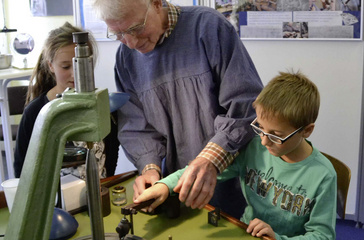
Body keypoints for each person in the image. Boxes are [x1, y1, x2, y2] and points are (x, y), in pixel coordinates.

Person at [92, 0, 263, 218]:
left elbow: (246, 106)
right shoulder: (126, 58)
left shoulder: (209, 28)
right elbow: (136, 126)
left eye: (136, 28)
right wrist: (150, 167)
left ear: (155, 4)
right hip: (175, 191)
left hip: (233, 187)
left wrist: (210, 160)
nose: (131, 42)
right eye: (118, 34)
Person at [135, 71, 337, 240]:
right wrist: (164, 185)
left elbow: (322, 238)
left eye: (276, 135)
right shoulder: (254, 148)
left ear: (307, 131)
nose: (265, 142)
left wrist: (277, 238)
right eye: (260, 128)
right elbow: (202, 171)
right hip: (246, 234)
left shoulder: (323, 175)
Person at [13, 22, 120, 179]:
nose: (74, 74)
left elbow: (110, 159)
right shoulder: (36, 113)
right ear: (50, 65)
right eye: (65, 67)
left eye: (83, 64)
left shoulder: (106, 107)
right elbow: (22, 169)